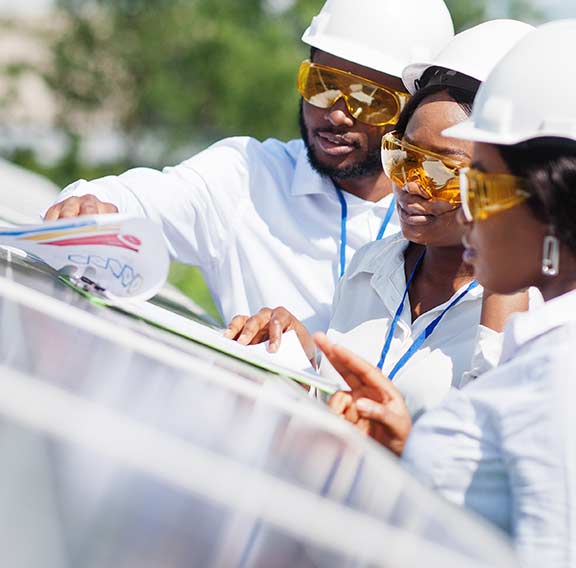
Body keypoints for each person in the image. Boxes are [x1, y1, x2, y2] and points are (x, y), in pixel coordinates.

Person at [319, 21, 576, 566]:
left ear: (549, 199)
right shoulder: (549, 345)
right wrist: (407, 444)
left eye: (474, 183)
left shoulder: (559, 370)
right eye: (405, 157)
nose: (414, 185)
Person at [42, 0, 455, 334]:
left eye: (370, 99)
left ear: (411, 110)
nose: (337, 114)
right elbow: (132, 200)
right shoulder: (247, 177)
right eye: (322, 85)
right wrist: (88, 207)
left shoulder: (442, 219)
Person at [226, 21, 533, 419]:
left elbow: (491, 448)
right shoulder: (370, 268)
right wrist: (301, 366)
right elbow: (337, 413)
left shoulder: (536, 314)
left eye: (441, 172)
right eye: (405, 157)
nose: (411, 184)